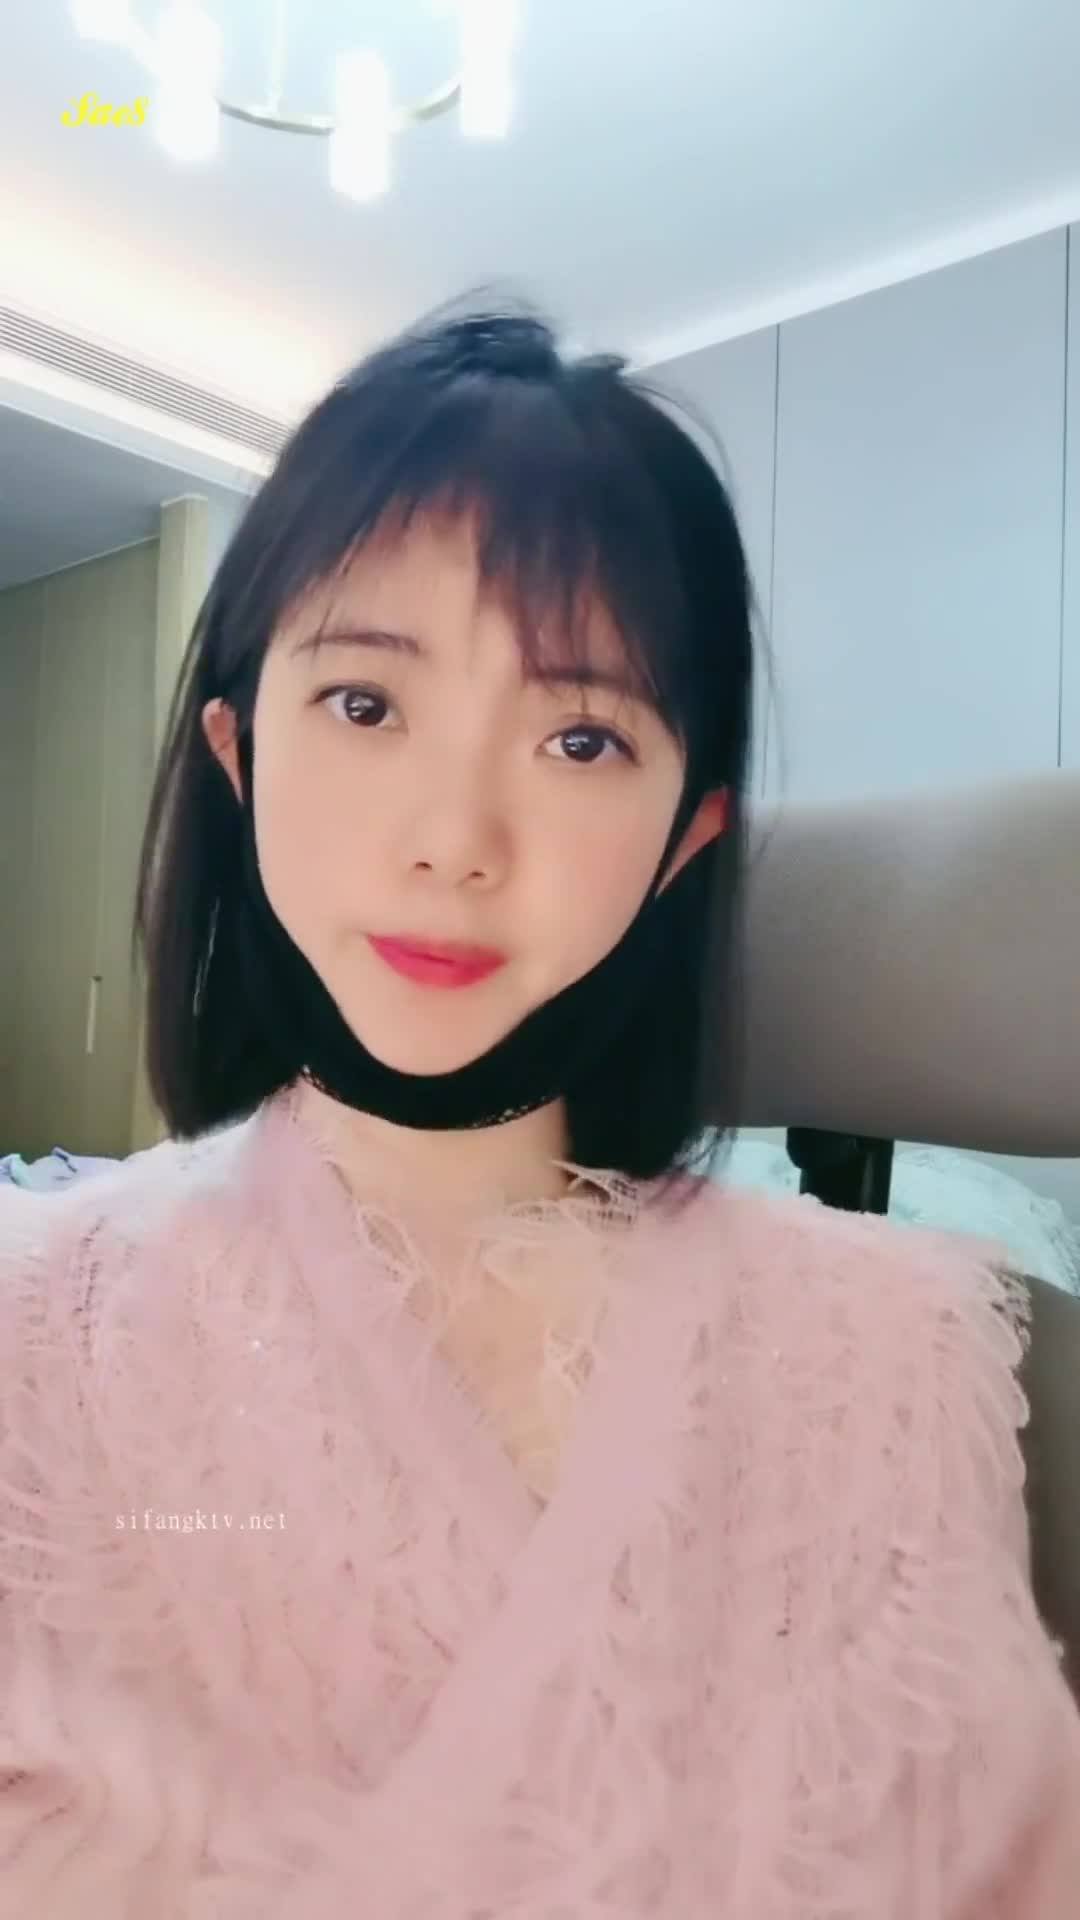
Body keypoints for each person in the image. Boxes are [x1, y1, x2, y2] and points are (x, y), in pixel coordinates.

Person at [1, 304, 1077, 1917]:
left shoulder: (905, 1357)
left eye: (581, 735)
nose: (456, 836)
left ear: (688, 831)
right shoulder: (33, 1319)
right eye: (365, 705)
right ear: (238, 750)